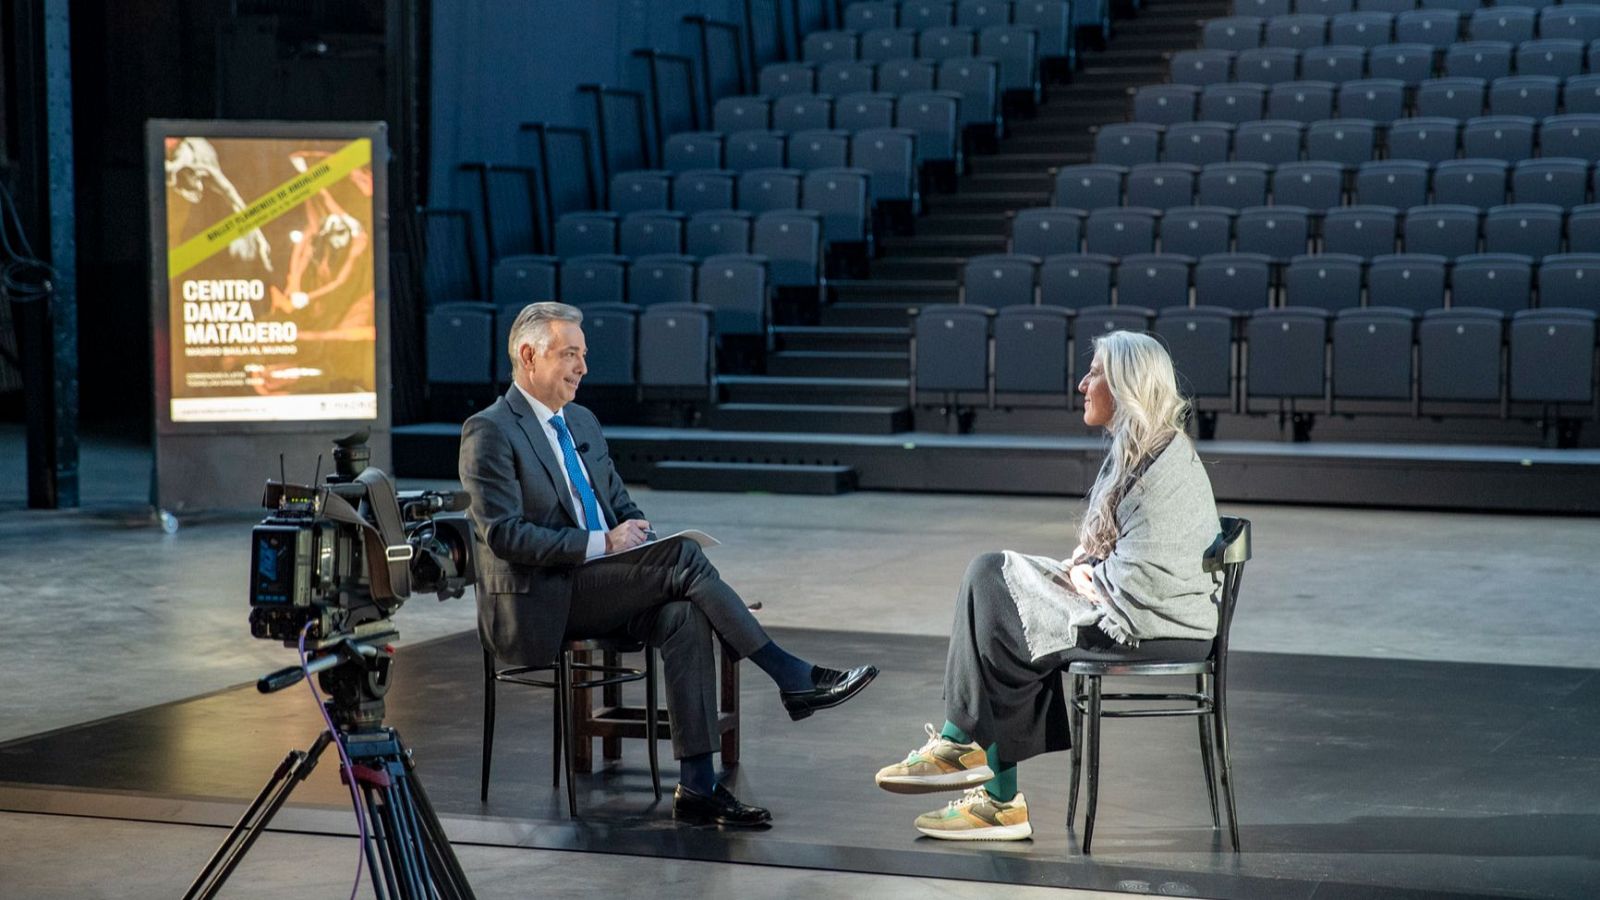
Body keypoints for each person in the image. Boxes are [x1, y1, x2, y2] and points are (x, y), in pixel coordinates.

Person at [460, 301, 877, 828]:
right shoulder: (490, 430)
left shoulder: (582, 420)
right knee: (683, 558)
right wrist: (603, 544)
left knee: (684, 612)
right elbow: (504, 535)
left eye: (583, 355)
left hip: (599, 581)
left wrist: (637, 538)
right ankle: (792, 676)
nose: (583, 367)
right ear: (528, 356)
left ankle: (698, 787)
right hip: (540, 595)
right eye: (570, 354)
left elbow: (622, 505)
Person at [873, 331, 1222, 841]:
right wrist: (1088, 569)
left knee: (996, 599)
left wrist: (1089, 577)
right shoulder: (1143, 449)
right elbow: (1123, 548)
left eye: (1096, 372)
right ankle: (980, 778)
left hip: (1153, 624)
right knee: (987, 577)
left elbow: (1147, 581)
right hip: (1136, 609)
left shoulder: (1162, 462)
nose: (1083, 383)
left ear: (1127, 385)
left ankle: (985, 781)